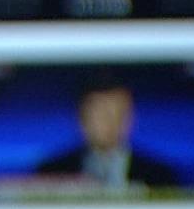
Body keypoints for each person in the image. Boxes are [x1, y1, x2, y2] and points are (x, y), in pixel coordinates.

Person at [34, 78, 180, 193]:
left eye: (118, 113)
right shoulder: (50, 174)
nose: (111, 122)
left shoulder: (160, 177)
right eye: (101, 113)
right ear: (82, 119)